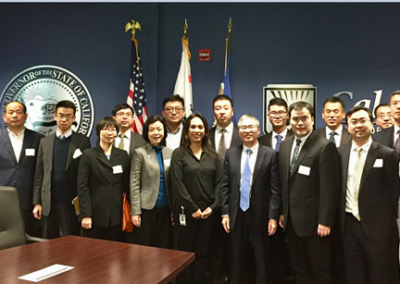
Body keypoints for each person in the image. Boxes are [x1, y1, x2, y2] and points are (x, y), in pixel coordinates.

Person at [279, 101, 341, 284]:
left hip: (315, 224)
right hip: (291, 222)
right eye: (295, 119)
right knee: (300, 270)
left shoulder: (324, 146)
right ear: (290, 120)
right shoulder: (285, 144)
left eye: (304, 118)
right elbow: (285, 182)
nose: (299, 123)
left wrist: (325, 221)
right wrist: (283, 212)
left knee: (319, 272)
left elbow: (329, 188)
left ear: (312, 119)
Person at [338, 106, 399, 284]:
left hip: (378, 228)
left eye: (362, 121)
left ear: (371, 124)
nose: (358, 125)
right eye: (353, 122)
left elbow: (394, 192)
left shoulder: (388, 155)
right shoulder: (339, 153)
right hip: (348, 226)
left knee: (379, 274)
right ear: (348, 126)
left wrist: (383, 222)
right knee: (353, 274)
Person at [220, 114, 281, 284]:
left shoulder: (270, 154)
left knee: (262, 260)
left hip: (260, 216)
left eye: (251, 127)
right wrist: (225, 213)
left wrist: (273, 217)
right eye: (243, 128)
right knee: (237, 259)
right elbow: (224, 186)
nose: (247, 131)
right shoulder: (230, 154)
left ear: (258, 130)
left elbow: (275, 190)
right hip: (236, 214)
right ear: (239, 131)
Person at [170, 112, 219, 284]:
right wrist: (193, 209)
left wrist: (212, 208)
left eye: (200, 127)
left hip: (208, 213)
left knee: (202, 253)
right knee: (184, 253)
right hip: (186, 212)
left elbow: (220, 184)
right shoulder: (179, 154)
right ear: (186, 131)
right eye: (193, 127)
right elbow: (177, 184)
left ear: (205, 131)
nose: (197, 130)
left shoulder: (213, 155)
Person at [33, 100, 91, 238]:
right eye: (61, 115)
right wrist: (37, 202)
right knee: (48, 243)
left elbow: (86, 175)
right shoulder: (44, 142)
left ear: (74, 118)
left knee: (71, 241)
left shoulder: (82, 141)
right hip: (49, 201)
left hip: (71, 201)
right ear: (55, 116)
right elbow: (39, 174)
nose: (64, 119)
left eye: (68, 116)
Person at [258, 97, 295, 284]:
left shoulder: (296, 138)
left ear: (287, 115)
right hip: (267, 204)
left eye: (281, 112)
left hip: (292, 204)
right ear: (268, 116)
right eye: (274, 112)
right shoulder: (261, 140)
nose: (278, 116)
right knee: (269, 251)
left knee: (291, 253)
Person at [78, 117, 130, 241]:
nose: (109, 132)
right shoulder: (88, 155)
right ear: (99, 132)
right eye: (105, 129)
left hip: (115, 214)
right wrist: (86, 215)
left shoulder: (122, 155)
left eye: (113, 129)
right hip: (95, 213)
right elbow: (82, 186)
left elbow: (126, 184)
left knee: (113, 253)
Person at [208, 94, 241, 284]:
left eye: (225, 107)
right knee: (215, 246)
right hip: (212, 198)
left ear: (232, 111)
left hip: (236, 199)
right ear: (214, 111)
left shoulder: (242, 133)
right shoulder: (206, 134)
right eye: (217, 108)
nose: (221, 111)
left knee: (236, 246)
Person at [0, 101, 43, 236]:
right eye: (10, 112)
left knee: (29, 245)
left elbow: (40, 172)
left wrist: (38, 201)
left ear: (25, 116)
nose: (14, 115)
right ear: (4, 117)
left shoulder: (38, 139)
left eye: (18, 112)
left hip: (29, 202)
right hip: (2, 200)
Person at [130, 115, 173, 248]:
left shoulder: (170, 153)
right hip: (146, 209)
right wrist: (135, 211)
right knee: (145, 247)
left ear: (164, 132)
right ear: (146, 133)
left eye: (159, 129)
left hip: (166, 208)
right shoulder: (139, 153)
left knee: (164, 246)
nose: (156, 133)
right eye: (152, 130)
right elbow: (134, 183)